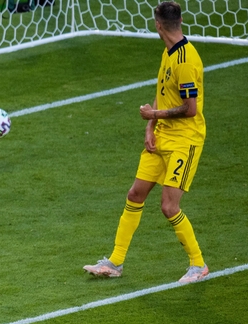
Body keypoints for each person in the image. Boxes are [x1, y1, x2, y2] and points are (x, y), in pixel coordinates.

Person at [83, 1, 208, 284]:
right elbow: (163, 94)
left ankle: (198, 264)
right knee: (135, 194)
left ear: (157, 24)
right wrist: (151, 125)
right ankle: (114, 262)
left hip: (184, 141)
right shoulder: (169, 51)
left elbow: (190, 109)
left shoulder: (186, 61)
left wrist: (155, 114)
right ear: (179, 21)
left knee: (169, 207)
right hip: (161, 136)